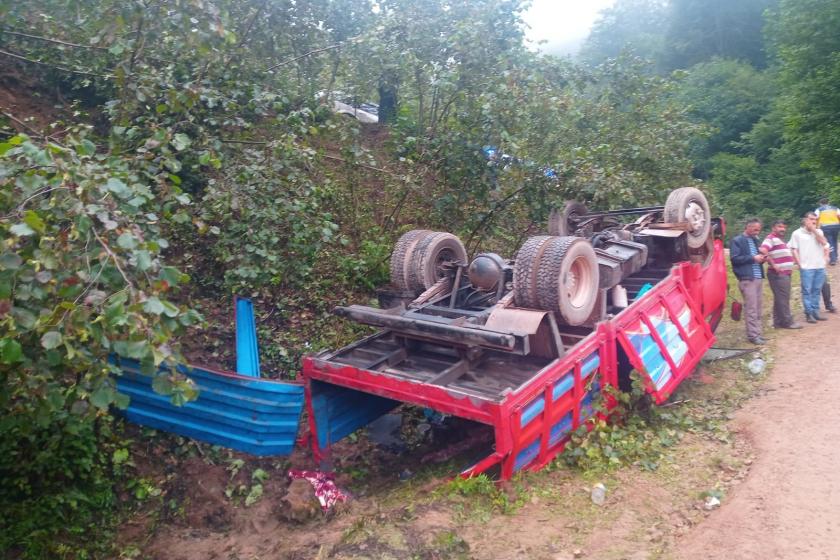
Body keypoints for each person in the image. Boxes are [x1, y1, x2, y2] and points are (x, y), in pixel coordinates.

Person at [788, 212, 831, 323]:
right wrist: (799, 264)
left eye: (815, 220)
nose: (813, 221)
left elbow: (824, 242)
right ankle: (809, 313)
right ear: (805, 220)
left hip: (819, 265)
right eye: (811, 219)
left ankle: (816, 312)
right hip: (807, 267)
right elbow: (794, 249)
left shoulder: (819, 231)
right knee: (807, 290)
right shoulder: (797, 233)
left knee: (816, 290)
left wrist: (814, 230)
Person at [760, 220, 802, 329]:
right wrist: (773, 264)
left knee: (780, 298)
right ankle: (787, 322)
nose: (782, 229)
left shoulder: (779, 240)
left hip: (784, 273)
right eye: (779, 227)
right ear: (773, 228)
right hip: (778, 274)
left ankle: (778, 322)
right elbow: (763, 249)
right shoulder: (771, 238)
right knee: (783, 298)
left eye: (784, 227)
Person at [730, 218, 767, 344]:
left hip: (758, 277)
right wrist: (753, 258)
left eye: (759, 229)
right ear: (748, 227)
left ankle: (758, 333)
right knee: (751, 308)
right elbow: (735, 259)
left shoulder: (756, 240)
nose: (757, 232)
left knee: (757, 307)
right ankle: (753, 336)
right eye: (755, 229)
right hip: (747, 279)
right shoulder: (737, 241)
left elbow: (757, 258)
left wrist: (762, 258)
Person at [815, 197, 840, 265]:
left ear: (820, 203)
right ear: (828, 203)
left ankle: (833, 260)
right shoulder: (835, 208)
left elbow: (815, 218)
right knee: (835, 241)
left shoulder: (819, 209)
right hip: (836, 226)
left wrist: (816, 227)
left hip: (825, 227)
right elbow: (839, 216)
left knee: (829, 242)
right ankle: (835, 256)